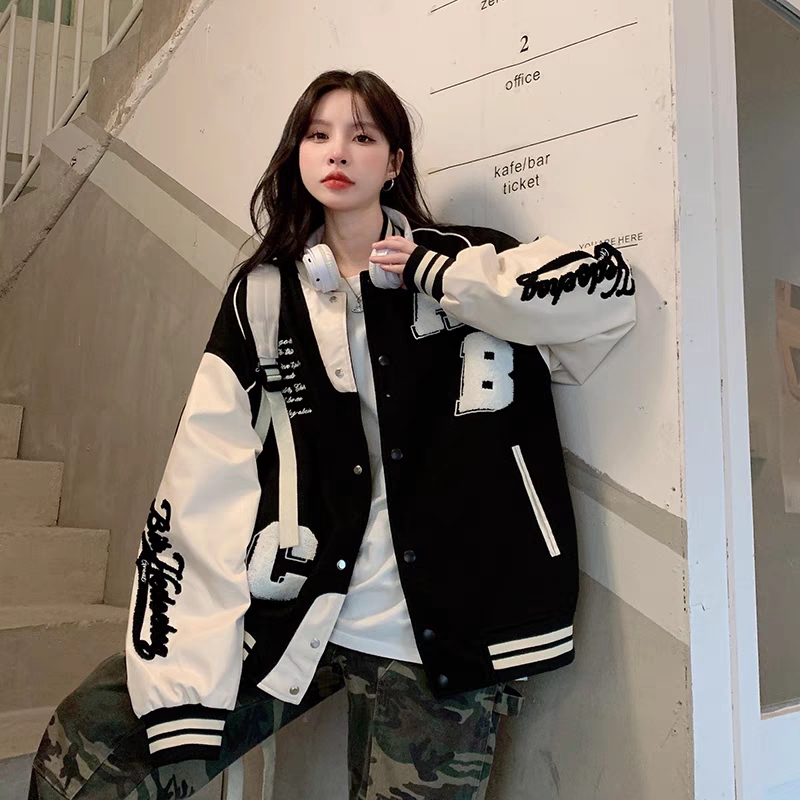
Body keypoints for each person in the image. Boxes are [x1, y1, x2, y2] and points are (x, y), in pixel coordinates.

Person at [28, 69, 636, 800]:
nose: (338, 151)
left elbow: (607, 298)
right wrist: (181, 675)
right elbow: (206, 471)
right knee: (86, 745)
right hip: (296, 607)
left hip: (439, 634)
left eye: (363, 135)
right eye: (318, 134)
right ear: (299, 154)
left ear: (395, 161)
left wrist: (440, 277)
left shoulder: (467, 260)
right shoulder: (264, 292)